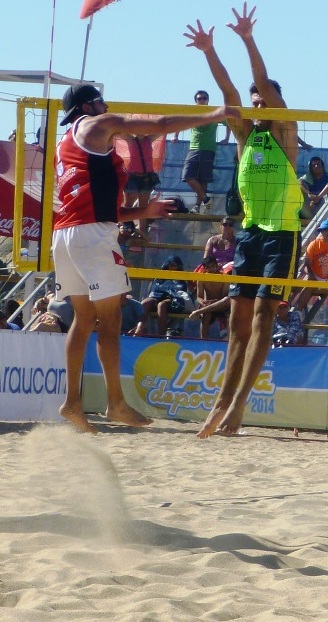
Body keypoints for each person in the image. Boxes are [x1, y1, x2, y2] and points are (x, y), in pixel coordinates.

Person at [52, 81, 236, 434]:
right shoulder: (96, 124)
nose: (107, 107)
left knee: (83, 318)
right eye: (102, 102)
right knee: (110, 319)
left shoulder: (67, 142)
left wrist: (143, 209)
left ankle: (72, 402)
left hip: (67, 234)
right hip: (92, 236)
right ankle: (115, 403)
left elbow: (95, 203)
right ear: (91, 105)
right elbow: (161, 125)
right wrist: (212, 116)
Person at [187, 5, 304, 437]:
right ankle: (221, 404)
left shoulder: (285, 128)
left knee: (262, 318)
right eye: (255, 101)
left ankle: (238, 405)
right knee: (237, 324)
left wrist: (248, 40)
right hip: (253, 230)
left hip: (283, 231)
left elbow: (258, 84)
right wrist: (209, 51)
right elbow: (229, 91)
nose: (257, 103)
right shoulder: (245, 133)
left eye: (263, 99)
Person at [175, 89, 230, 211]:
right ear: (196, 101)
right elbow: (179, 122)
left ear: (208, 100)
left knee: (203, 179)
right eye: (199, 99)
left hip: (209, 149)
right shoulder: (191, 113)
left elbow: (229, 123)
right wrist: (176, 136)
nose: (202, 100)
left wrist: (226, 138)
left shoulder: (214, 112)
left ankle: (197, 206)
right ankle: (206, 199)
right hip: (194, 148)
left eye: (204, 98)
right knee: (187, 175)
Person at [139, 256, 193, 336]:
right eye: (170, 264)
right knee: (145, 303)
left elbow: (181, 294)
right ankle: (139, 330)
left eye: (174, 265)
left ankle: (160, 335)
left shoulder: (182, 278)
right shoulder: (159, 277)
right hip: (156, 298)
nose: (171, 267)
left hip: (173, 302)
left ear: (179, 266)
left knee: (161, 305)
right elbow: (154, 292)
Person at [190, 254, 231, 339]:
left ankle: (228, 342)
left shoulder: (224, 277)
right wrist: (203, 302)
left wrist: (214, 302)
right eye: (208, 267)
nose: (211, 268)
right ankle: (204, 341)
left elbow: (224, 296)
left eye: (213, 266)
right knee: (206, 315)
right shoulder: (201, 278)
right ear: (204, 269)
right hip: (208, 305)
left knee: (228, 306)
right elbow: (199, 297)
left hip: (221, 305)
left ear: (217, 266)